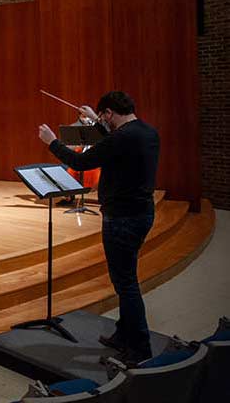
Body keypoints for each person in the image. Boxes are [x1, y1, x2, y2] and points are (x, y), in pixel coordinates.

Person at [39, 91, 159, 364]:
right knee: (125, 278)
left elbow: (81, 162)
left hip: (122, 218)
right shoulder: (146, 132)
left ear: (110, 114)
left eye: (104, 117)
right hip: (142, 213)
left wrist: (52, 142)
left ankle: (140, 347)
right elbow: (116, 145)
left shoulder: (121, 137)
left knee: (126, 284)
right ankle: (123, 334)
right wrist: (96, 121)